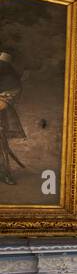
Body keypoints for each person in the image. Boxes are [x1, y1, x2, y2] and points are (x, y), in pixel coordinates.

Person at [0, 51, 25, 186]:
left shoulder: (12, 82)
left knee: (0, 146)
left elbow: (2, 104)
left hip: (0, 118)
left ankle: (4, 174)